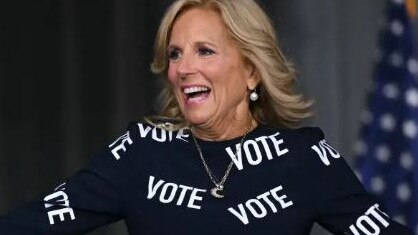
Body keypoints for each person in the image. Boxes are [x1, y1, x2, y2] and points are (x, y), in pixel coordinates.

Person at [0, 0, 414, 234]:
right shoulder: (142, 152)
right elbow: (32, 225)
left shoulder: (304, 159)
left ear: (252, 69)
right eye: (175, 53)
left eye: (205, 51)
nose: (182, 69)